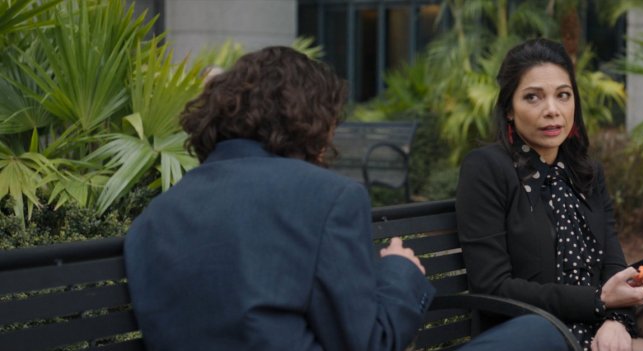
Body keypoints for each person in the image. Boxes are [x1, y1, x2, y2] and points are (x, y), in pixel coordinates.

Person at [125, 45, 568, 351]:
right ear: (308, 119)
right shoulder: (327, 197)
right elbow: (370, 342)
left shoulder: (154, 218)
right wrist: (400, 272)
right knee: (536, 334)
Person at [456, 38, 643, 351]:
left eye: (563, 95)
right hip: (538, 328)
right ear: (508, 109)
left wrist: (615, 320)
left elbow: (613, 263)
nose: (552, 110)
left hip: (599, 314)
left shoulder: (585, 171)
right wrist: (598, 301)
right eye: (532, 97)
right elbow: (492, 287)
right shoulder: (488, 168)